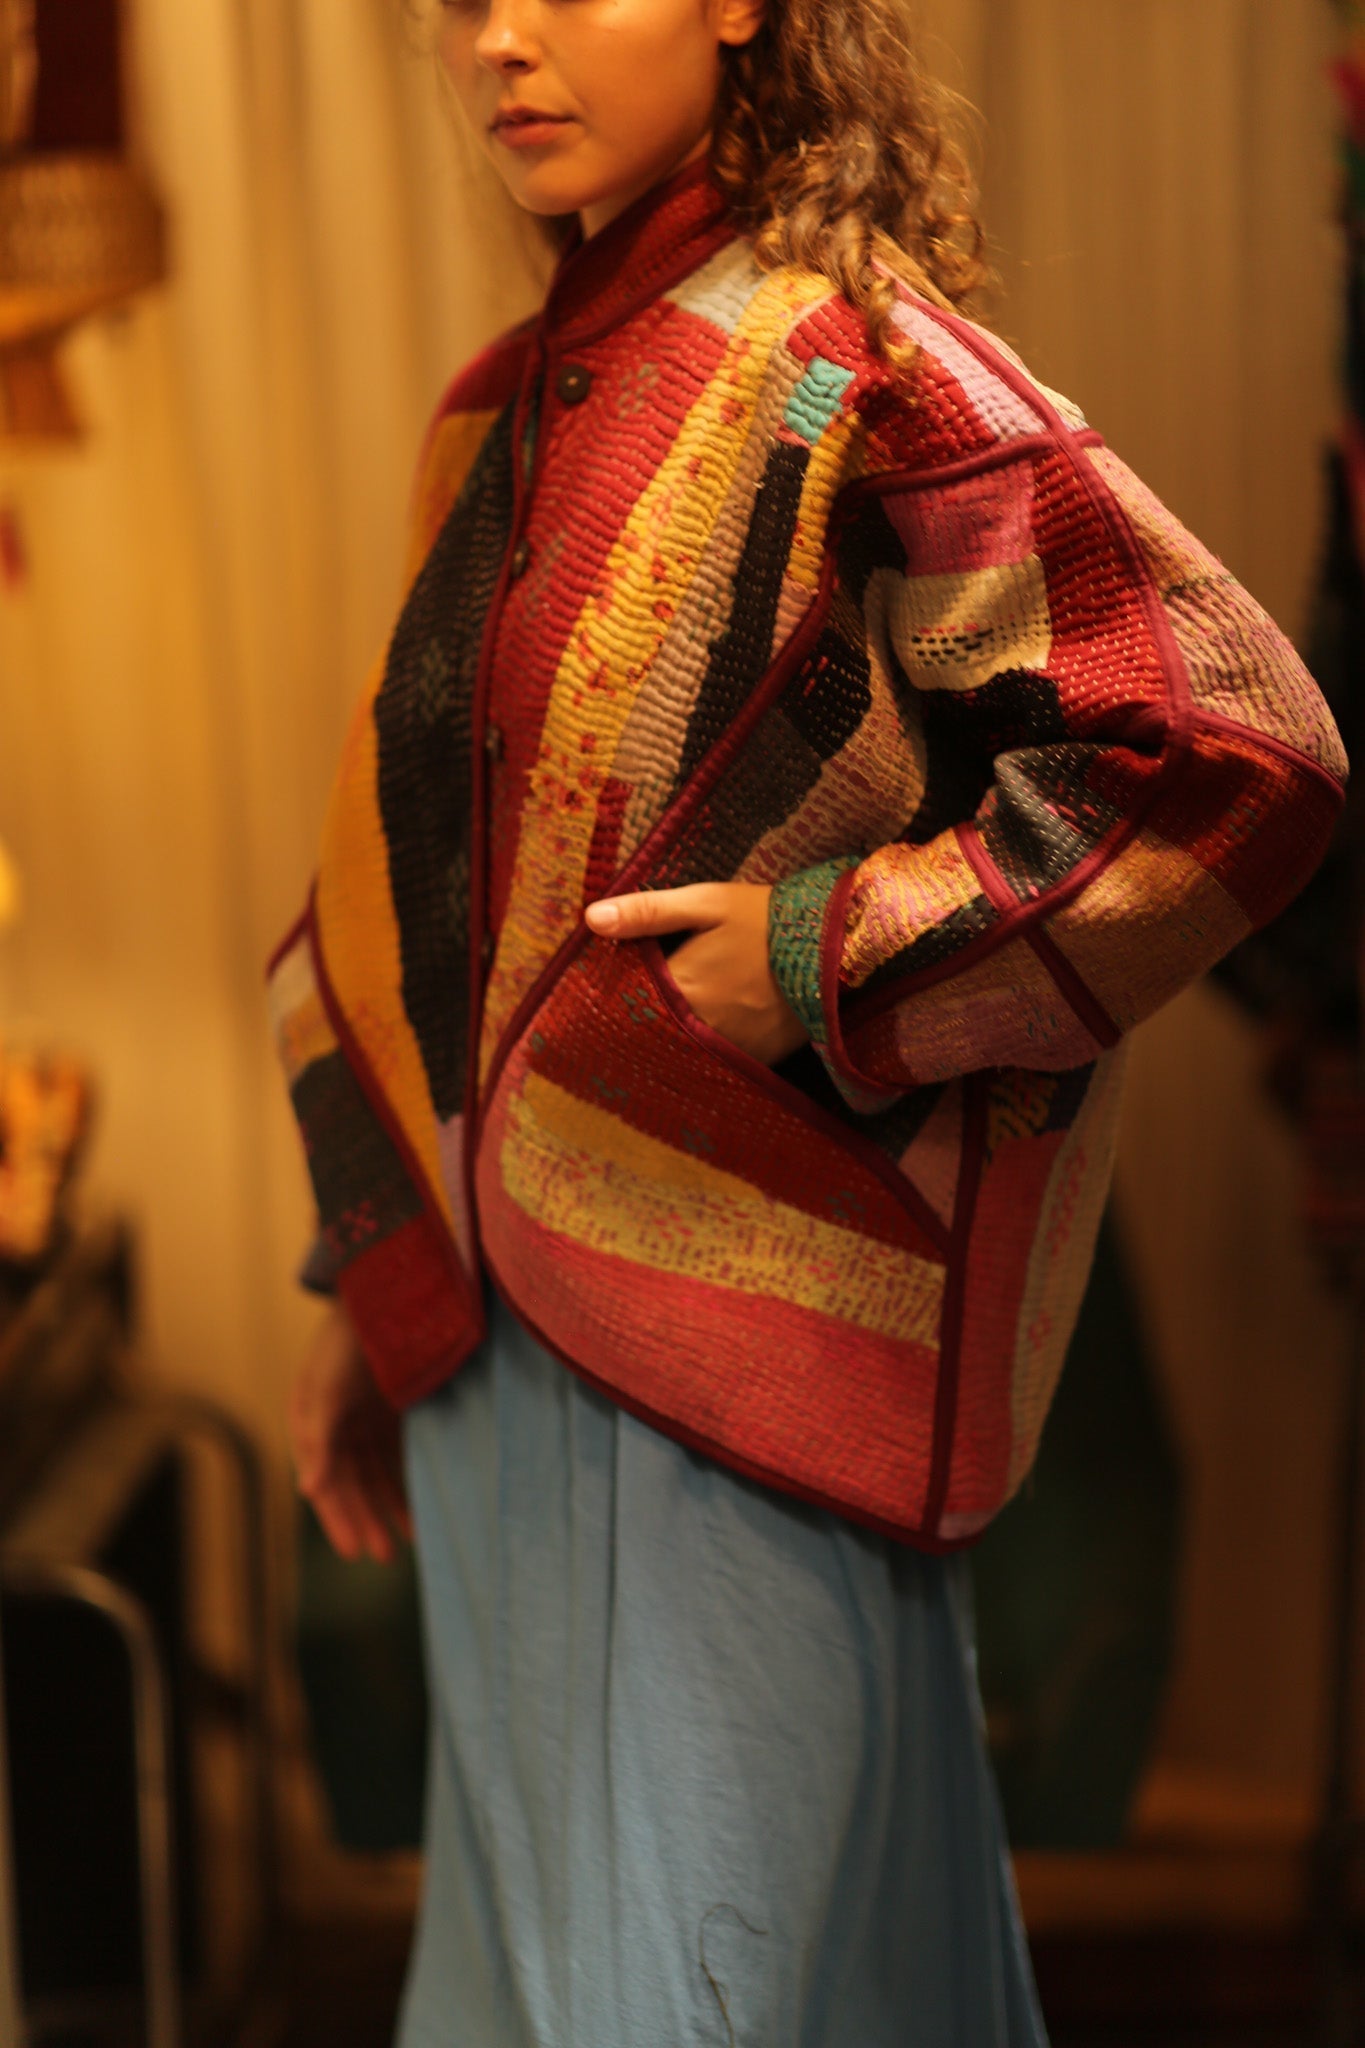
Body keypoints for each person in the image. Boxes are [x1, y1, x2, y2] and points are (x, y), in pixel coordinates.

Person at [274, 1, 1347, 2041]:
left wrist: (820, 953)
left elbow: (1224, 751)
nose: (498, 42)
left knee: (718, 1992)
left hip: (731, 1388)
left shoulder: (853, 369)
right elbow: (436, 894)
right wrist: (375, 1258)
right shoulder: (493, 414)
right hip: (495, 1372)